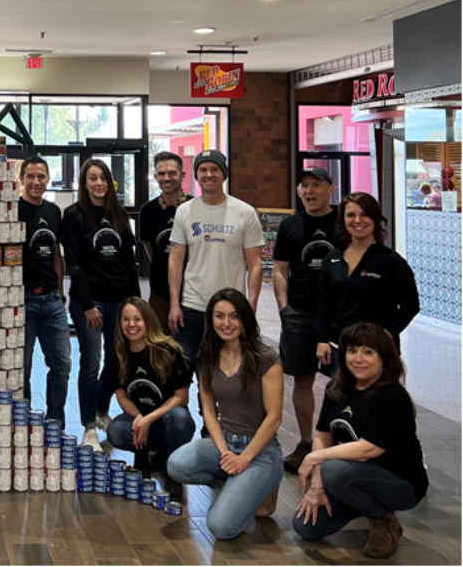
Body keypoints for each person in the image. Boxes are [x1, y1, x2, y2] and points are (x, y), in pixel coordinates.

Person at [294, 323, 428, 560]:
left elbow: (368, 449)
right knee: (306, 527)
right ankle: (362, 502)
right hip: (351, 478)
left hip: (400, 483)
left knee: (333, 469)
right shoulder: (336, 388)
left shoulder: (393, 397)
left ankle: (384, 522)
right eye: (352, 350)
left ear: (384, 359)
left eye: (368, 352)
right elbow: (323, 436)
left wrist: (316, 459)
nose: (358, 358)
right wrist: (317, 486)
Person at [167, 289, 285, 541]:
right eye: (219, 316)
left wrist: (244, 459)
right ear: (211, 320)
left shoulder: (267, 359)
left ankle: (261, 487)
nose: (227, 323)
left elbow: (274, 418)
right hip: (227, 442)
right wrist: (225, 453)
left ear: (245, 319)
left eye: (234, 316)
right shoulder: (207, 358)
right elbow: (209, 410)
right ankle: (236, 482)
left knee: (221, 527)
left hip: (261, 450)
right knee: (176, 465)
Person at [61, 159, 141, 451]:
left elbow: (130, 264)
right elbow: (74, 265)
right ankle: (88, 427)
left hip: (120, 301)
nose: (98, 184)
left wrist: (135, 304)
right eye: (92, 178)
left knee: (118, 360)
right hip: (90, 303)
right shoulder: (73, 216)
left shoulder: (118, 215)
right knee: (91, 363)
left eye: (103, 178)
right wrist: (86, 305)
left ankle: (101, 409)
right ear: (84, 183)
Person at [168, 150, 264, 368]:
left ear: (224, 173)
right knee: (181, 372)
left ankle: (210, 405)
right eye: (203, 169)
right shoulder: (185, 211)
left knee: (222, 374)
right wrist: (175, 304)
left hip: (230, 309)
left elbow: (255, 263)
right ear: (196, 175)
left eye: (214, 169)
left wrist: (251, 306)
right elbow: (175, 259)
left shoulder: (245, 212)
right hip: (192, 306)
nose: (208, 174)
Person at [272, 167, 339, 473]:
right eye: (304, 186)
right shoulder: (290, 225)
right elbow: (281, 270)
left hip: (339, 316)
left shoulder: (344, 222)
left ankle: (338, 443)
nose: (309, 191)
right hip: (299, 314)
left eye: (316, 185)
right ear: (298, 192)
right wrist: (284, 310)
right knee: (302, 379)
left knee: (344, 380)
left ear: (331, 189)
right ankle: (304, 442)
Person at [316, 192, 420, 373]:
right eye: (350, 215)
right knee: (342, 399)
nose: (358, 220)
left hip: (377, 350)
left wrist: (385, 334)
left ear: (376, 218)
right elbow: (323, 302)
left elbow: (410, 305)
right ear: (342, 220)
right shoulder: (332, 259)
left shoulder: (391, 261)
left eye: (364, 214)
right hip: (338, 348)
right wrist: (322, 340)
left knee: (377, 401)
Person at [103, 297, 194, 498]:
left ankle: (173, 467)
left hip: (167, 419)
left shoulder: (170, 351)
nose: (131, 324)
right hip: (141, 420)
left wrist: (148, 419)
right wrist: (137, 417)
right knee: (116, 430)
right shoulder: (118, 353)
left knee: (179, 419)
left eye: (137, 319)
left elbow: (182, 398)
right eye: (126, 319)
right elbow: (121, 395)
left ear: (148, 321)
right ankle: (142, 458)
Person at [18, 157, 72, 429]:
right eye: (31, 176)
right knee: (22, 370)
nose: (36, 182)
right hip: (22, 300)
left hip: (51, 300)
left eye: (41, 177)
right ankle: (25, 425)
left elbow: (56, 253)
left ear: (48, 179)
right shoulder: (12, 209)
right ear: (21, 179)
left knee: (62, 364)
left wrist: (60, 293)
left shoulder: (53, 211)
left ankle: (55, 424)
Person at [139, 152, 193, 335]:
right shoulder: (147, 211)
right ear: (155, 177)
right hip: (160, 292)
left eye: (172, 173)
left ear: (183, 175)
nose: (166, 178)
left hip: (193, 292)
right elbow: (151, 248)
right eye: (161, 174)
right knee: (159, 343)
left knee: (191, 346)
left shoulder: (196, 208)